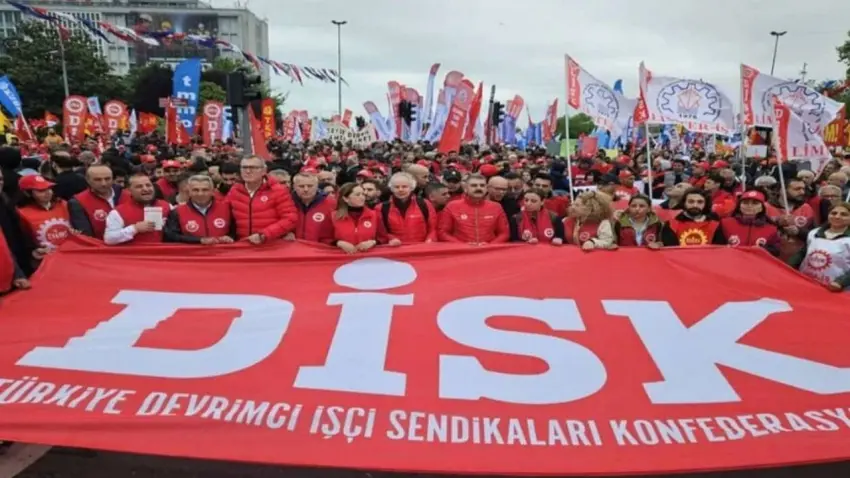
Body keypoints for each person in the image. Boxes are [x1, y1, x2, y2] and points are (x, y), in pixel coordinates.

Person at [228, 156, 298, 244]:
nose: (248, 171)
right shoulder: (235, 190)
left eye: (253, 168)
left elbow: (290, 218)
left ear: (264, 171)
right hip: (243, 244)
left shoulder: (278, 191)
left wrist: (265, 234)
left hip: (270, 244)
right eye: (244, 167)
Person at [789, 202, 850, 292]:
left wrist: (841, 282)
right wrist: (787, 266)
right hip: (807, 282)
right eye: (833, 213)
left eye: (844, 214)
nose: (837, 216)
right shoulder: (814, 233)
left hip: (835, 288)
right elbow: (803, 253)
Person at [438, 173, 509, 245]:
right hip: (461, 250)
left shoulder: (496, 207)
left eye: (482, 185)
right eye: (474, 185)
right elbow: (443, 233)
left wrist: (490, 245)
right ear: (465, 189)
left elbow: (504, 233)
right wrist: (463, 246)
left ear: (486, 189)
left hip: (488, 250)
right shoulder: (452, 206)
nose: (478, 188)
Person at [163, 175, 234, 245]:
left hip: (222, 252)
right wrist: (199, 240)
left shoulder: (227, 209)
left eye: (205, 190)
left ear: (213, 192)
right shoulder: (177, 212)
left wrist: (230, 237)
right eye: (195, 190)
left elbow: (236, 232)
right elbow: (171, 237)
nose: (200, 194)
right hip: (192, 252)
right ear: (189, 192)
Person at [104, 173, 171, 245]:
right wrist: (135, 228)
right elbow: (109, 239)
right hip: (134, 252)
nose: (145, 189)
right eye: (139, 186)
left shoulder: (168, 206)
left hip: (163, 251)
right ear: (129, 190)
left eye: (148, 185)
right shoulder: (118, 212)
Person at [68, 164, 131, 239]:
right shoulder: (78, 202)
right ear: (88, 180)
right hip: (100, 245)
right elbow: (86, 236)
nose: (103, 183)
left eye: (107, 179)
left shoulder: (128, 195)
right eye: (97, 180)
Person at [16, 175, 72, 254]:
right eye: (41, 190)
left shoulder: (63, 204)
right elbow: (23, 240)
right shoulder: (21, 213)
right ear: (28, 193)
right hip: (45, 256)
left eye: (49, 188)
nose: (48, 192)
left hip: (70, 251)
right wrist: (33, 251)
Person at [376, 172, 437, 245]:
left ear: (411, 188)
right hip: (396, 248)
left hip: (421, 247)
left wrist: (430, 240)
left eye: (404, 186)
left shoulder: (424, 204)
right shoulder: (381, 208)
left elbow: (433, 228)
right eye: (396, 187)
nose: (400, 190)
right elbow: (381, 232)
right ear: (391, 189)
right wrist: (391, 238)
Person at [719, 190, 780, 256]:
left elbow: (775, 251)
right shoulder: (725, 223)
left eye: (755, 203)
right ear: (739, 206)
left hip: (757, 261)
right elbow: (716, 246)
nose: (749, 206)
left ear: (761, 208)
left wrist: (763, 249)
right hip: (731, 260)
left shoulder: (771, 229)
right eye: (745, 203)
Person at [661, 188, 726, 246]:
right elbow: (670, 250)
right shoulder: (671, 224)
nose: (695, 205)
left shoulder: (715, 225)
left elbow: (719, 249)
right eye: (691, 201)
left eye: (700, 202)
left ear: (705, 204)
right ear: (684, 203)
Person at [332, 183, 378, 254]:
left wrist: (372, 242)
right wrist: (339, 243)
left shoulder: (374, 215)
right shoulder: (333, 216)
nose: (362, 197)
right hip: (343, 258)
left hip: (368, 257)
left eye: (363, 194)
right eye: (357, 195)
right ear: (346, 198)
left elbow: (383, 238)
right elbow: (325, 239)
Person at [290, 172, 335, 245]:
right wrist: (285, 233)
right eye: (301, 186)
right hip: (293, 248)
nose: (306, 189)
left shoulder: (331, 203)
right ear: (294, 187)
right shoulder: (287, 203)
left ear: (317, 186)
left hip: (321, 248)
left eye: (310, 186)